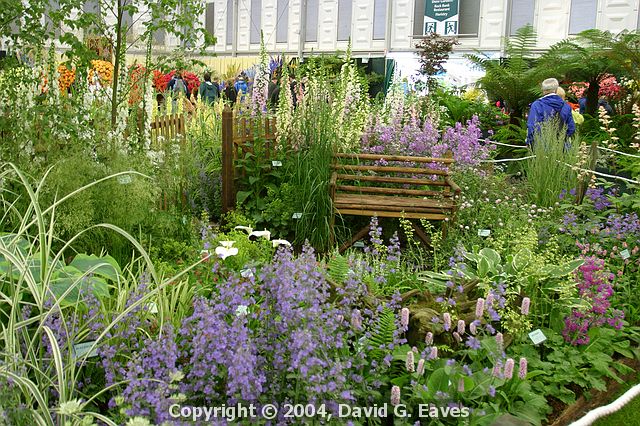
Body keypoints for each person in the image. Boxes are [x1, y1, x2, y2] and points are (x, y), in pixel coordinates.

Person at [526, 78, 575, 146]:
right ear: (556, 89)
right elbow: (571, 128)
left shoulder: (537, 105)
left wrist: (530, 142)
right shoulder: (566, 106)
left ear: (543, 90)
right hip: (562, 146)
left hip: (542, 147)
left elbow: (532, 126)